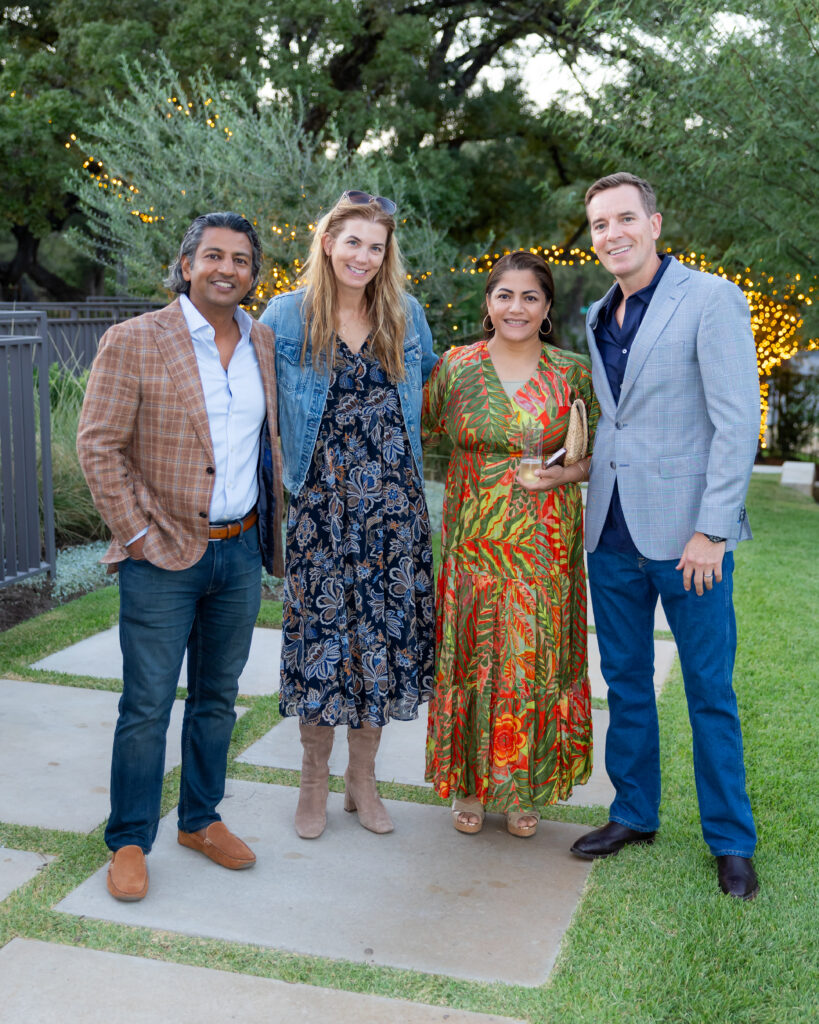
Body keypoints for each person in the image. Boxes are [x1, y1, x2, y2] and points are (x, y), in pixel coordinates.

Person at [77, 212, 284, 901]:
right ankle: (130, 839)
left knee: (217, 699)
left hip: (239, 552)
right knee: (147, 704)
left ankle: (200, 819)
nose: (228, 269)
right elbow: (98, 444)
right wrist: (135, 536)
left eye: (241, 260)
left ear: (253, 274)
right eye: (214, 256)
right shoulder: (135, 339)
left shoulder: (263, 342)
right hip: (160, 553)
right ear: (187, 263)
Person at [571, 172, 760, 900]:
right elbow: (617, 421)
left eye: (624, 218)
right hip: (610, 533)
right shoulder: (597, 312)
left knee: (709, 690)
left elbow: (736, 421)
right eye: (599, 223)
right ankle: (633, 814)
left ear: (653, 223)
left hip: (689, 540)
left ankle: (730, 840)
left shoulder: (710, 298)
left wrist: (712, 530)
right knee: (624, 683)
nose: (611, 233)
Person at [259, 190, 437, 839]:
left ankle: (363, 780)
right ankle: (313, 780)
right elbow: (257, 405)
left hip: (393, 512)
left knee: (380, 644)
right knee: (321, 643)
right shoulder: (285, 315)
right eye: (353, 242)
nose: (363, 256)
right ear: (328, 242)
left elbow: (432, 391)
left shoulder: (405, 315)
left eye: (375, 247)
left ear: (386, 255)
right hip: (320, 512)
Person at [423, 250, 598, 837]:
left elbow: (601, 451)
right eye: (505, 295)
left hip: (544, 548)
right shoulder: (455, 367)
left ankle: (524, 787)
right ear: (488, 303)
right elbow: (422, 430)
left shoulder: (572, 372)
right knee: (474, 658)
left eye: (530, 297)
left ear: (547, 308)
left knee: (532, 661)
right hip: (473, 544)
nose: (516, 308)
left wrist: (565, 474)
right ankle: (470, 785)